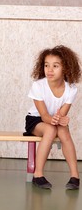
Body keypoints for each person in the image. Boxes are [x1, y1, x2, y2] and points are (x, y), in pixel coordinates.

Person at [24, 45, 81, 190]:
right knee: (50, 130)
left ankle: (75, 176)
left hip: (54, 119)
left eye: (55, 66)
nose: (49, 70)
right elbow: (43, 115)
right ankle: (38, 175)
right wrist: (54, 120)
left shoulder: (71, 89)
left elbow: (63, 113)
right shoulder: (38, 86)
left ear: (66, 68)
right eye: (46, 65)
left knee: (63, 132)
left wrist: (62, 120)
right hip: (36, 120)